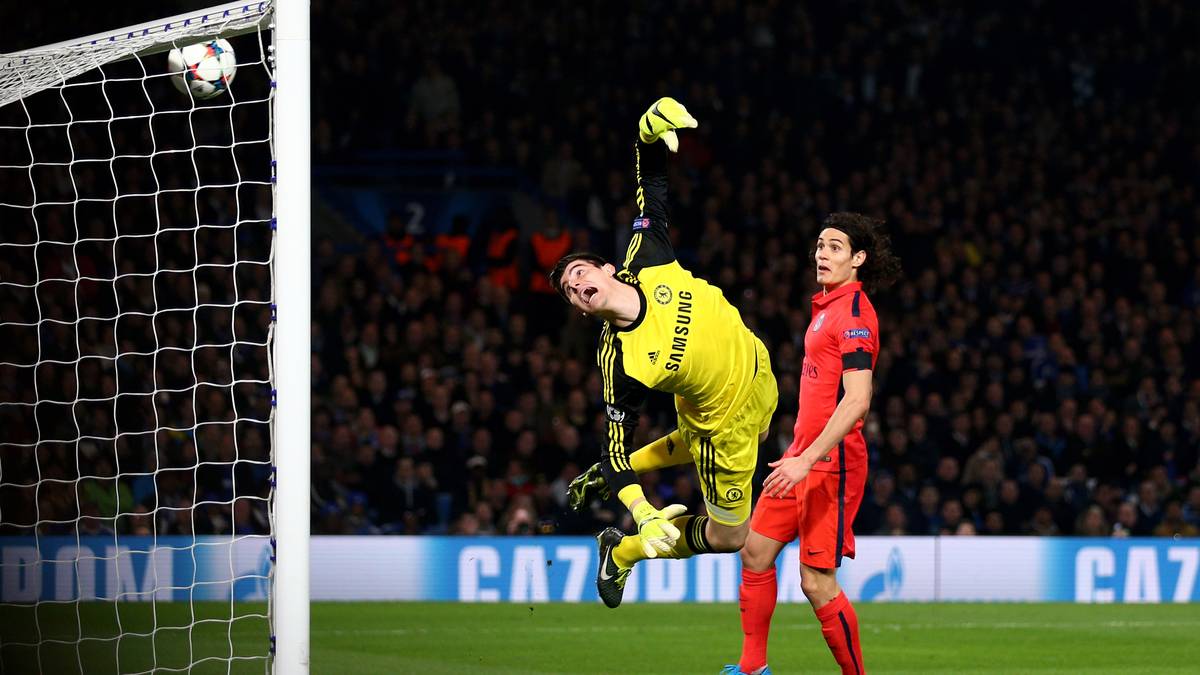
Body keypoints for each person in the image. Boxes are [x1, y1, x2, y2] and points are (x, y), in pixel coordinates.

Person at [552, 98, 778, 609]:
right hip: (722, 429)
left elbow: (651, 187)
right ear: (581, 310)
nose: (579, 285)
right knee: (732, 539)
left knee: (763, 427)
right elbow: (613, 444)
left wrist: (646, 136)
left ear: (607, 269)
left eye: (581, 272)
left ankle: (621, 483)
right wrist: (643, 513)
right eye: (570, 289)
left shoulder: (647, 256)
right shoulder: (621, 363)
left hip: (759, 369)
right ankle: (624, 552)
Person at [724, 214, 900, 675]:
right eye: (820, 245)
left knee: (816, 582)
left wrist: (806, 459)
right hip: (800, 456)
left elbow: (858, 399)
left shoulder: (856, 316)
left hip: (829, 465)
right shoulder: (825, 307)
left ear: (858, 258)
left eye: (835, 247)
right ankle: (752, 668)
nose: (823, 254)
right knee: (755, 551)